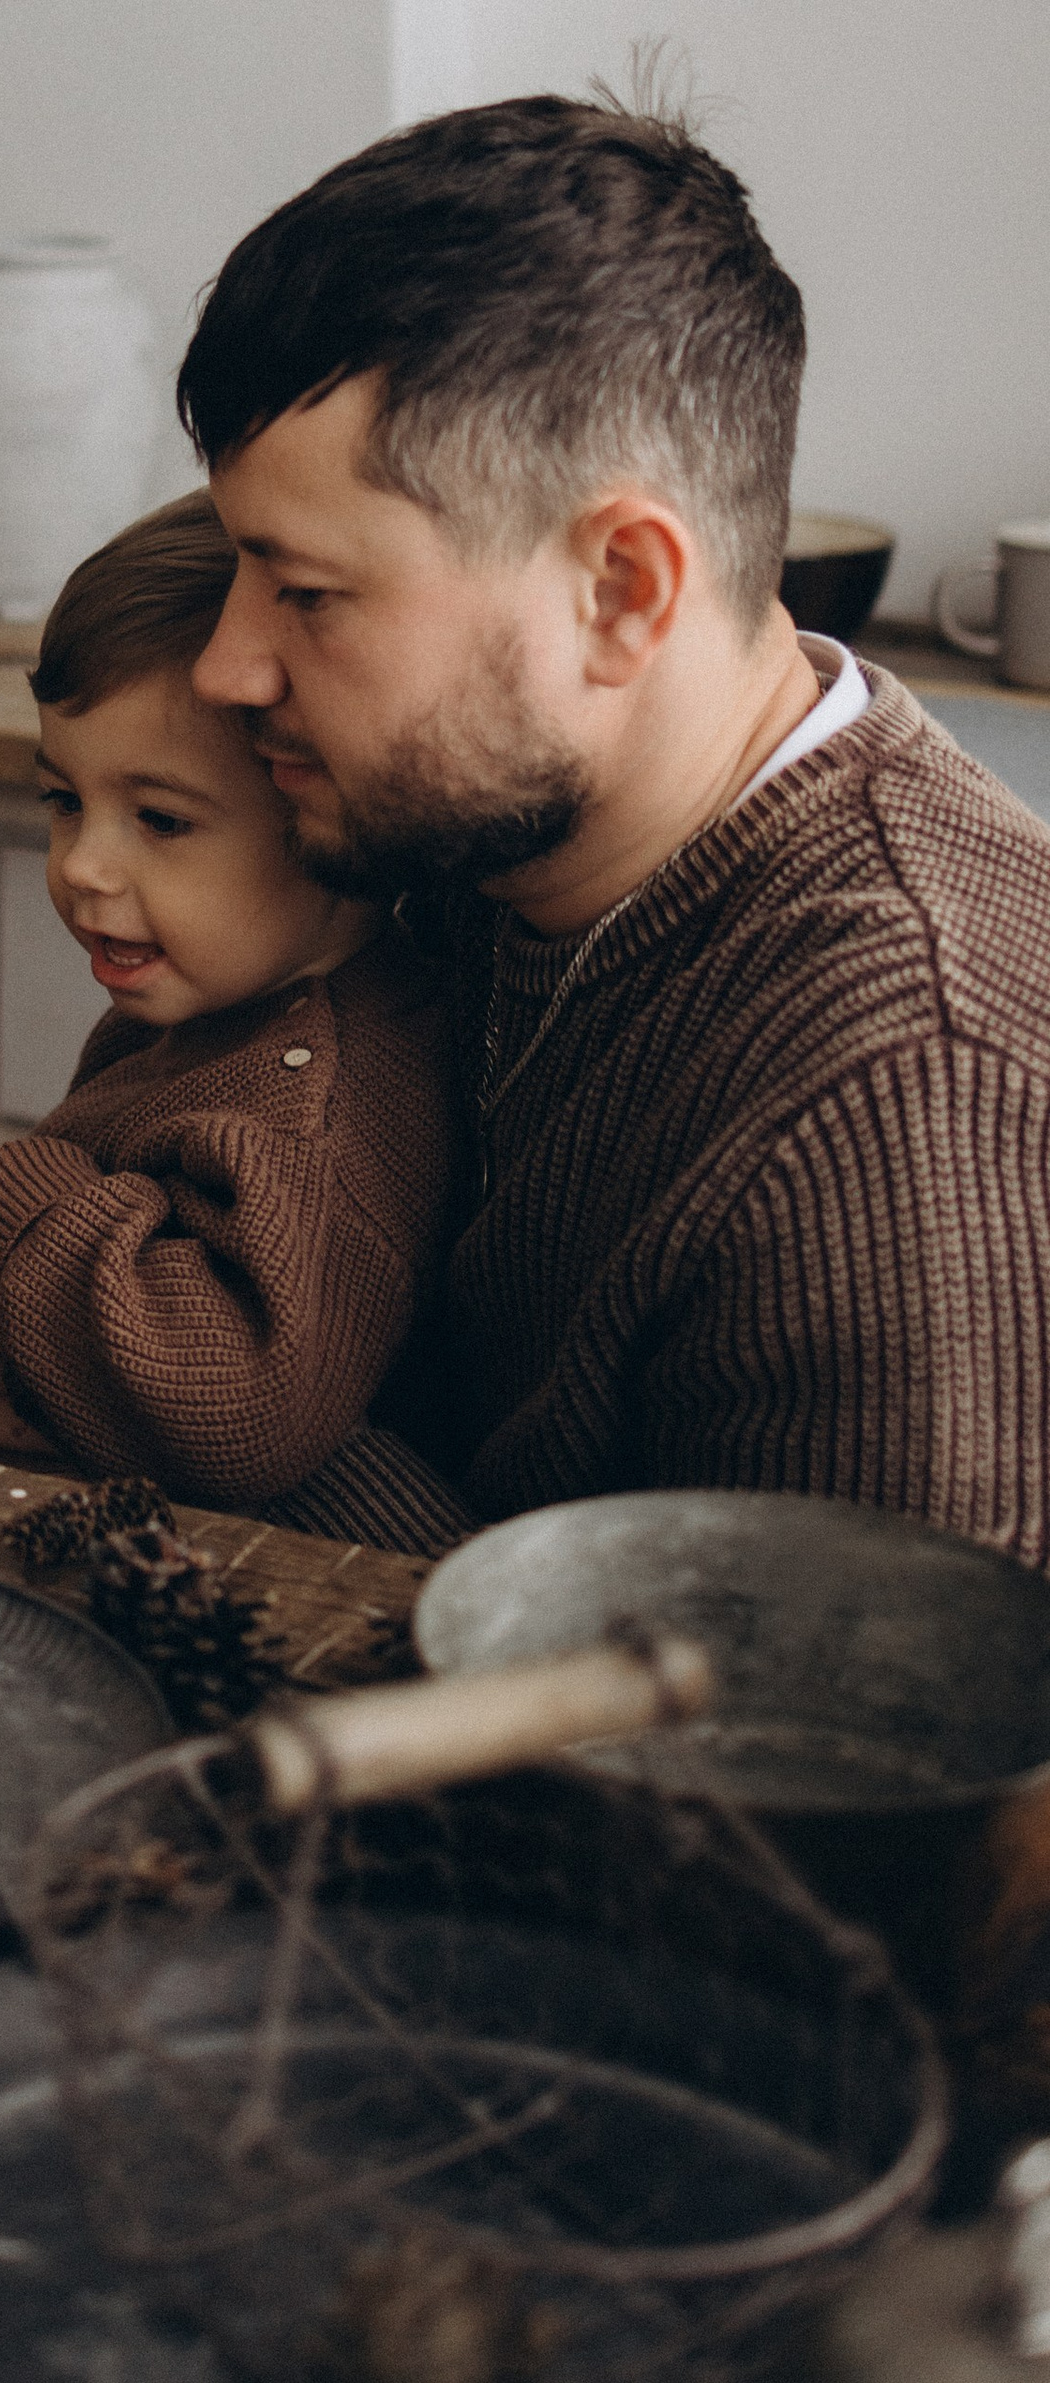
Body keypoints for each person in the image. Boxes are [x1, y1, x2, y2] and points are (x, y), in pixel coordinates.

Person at [181, 89, 1050, 1567]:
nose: (225, 666)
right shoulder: (490, 828)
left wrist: (219, 1444)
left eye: (308, 591)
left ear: (624, 591)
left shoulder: (900, 1115)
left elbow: (800, 1777)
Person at [0, 494, 452, 1507]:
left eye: (161, 820)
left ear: (322, 811)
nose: (85, 865)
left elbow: (227, 1401)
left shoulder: (313, 1105)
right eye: (62, 801)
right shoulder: (225, 1013)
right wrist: (9, 1354)